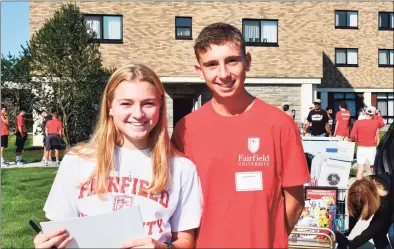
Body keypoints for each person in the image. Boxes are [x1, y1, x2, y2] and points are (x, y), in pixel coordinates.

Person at [33, 64, 202, 249]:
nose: (138, 114)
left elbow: (186, 240)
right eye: (126, 103)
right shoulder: (77, 161)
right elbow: (59, 232)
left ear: (160, 107)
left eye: (148, 103)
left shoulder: (182, 168)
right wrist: (47, 243)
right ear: (110, 106)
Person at [171, 22, 309, 248]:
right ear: (200, 71)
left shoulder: (280, 124)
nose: (223, 74)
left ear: (248, 62)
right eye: (212, 64)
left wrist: (268, 238)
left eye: (232, 61)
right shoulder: (186, 128)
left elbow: (294, 201)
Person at [335, 174, 394, 249]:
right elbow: (355, 212)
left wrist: (350, 245)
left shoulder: (385, 205)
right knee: (378, 234)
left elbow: (373, 228)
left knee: (392, 232)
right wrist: (344, 232)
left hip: (390, 209)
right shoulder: (366, 183)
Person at [349, 106, 385, 180]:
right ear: (373, 114)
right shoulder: (376, 122)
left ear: (365, 112)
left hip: (361, 148)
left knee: (360, 168)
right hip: (371, 148)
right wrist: (378, 115)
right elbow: (382, 123)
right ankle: (374, 185)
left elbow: (352, 135)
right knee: (373, 168)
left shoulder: (357, 122)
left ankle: (358, 186)